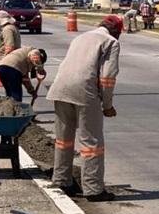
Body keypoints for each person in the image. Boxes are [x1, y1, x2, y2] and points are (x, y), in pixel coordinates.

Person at [47, 14, 122, 202]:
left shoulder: (80, 37)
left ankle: (62, 180)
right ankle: (93, 189)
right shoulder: (111, 42)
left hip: (60, 89)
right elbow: (107, 77)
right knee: (91, 142)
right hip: (85, 91)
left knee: (63, 140)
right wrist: (107, 105)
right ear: (116, 31)